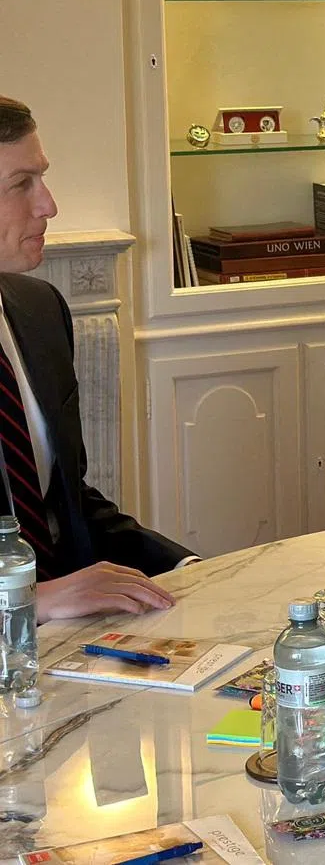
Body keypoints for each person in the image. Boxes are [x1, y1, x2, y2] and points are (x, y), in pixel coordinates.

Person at [0, 95, 193, 621]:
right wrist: (32, 601)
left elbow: (70, 504)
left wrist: (191, 570)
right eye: (23, 184)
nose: (49, 205)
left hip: (72, 639)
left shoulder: (40, 311)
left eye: (43, 178)